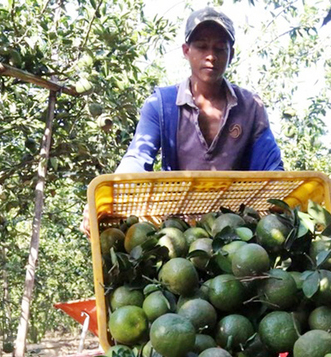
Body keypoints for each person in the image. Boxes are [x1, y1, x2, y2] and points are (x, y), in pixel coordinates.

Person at [81, 6, 284, 235]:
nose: (211, 55)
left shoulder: (250, 107)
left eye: (220, 48)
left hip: (237, 230)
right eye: (201, 46)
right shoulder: (161, 104)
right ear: (186, 50)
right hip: (180, 230)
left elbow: (271, 169)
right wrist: (106, 194)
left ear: (231, 54)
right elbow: (137, 158)